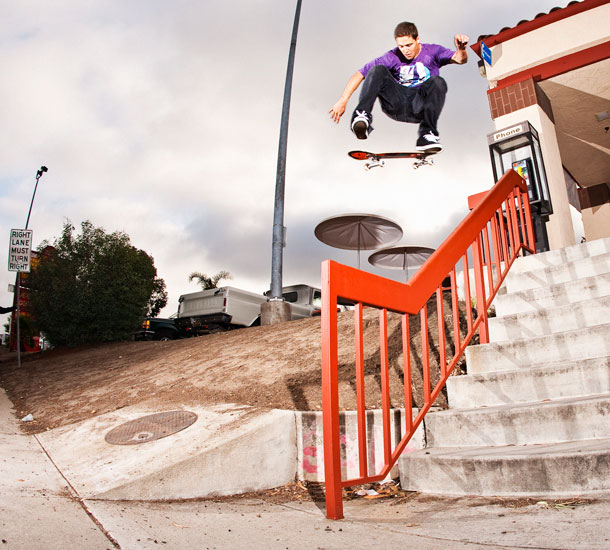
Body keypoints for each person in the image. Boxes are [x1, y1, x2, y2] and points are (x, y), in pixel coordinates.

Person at [329, 22, 469, 152]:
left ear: (417, 39)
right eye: (401, 46)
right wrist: (343, 100)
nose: (405, 51)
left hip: (419, 106)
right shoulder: (391, 57)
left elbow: (460, 59)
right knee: (377, 69)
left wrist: (462, 49)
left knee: (438, 82)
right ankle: (362, 116)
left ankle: (427, 135)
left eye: (409, 45)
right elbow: (360, 74)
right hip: (395, 104)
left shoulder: (433, 51)